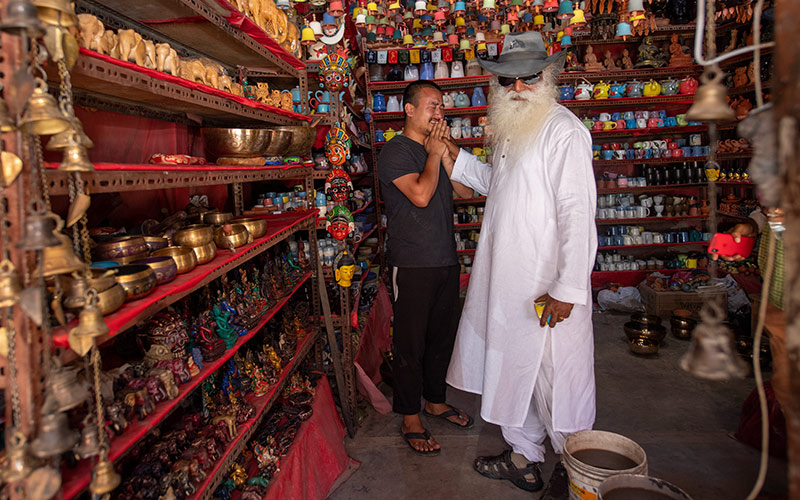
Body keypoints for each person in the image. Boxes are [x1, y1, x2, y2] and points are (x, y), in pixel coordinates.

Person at [441, 31, 597, 496]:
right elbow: (499, 183)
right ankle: (525, 457)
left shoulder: (563, 130)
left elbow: (576, 211)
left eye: (527, 77)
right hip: (508, 285)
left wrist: (568, 289)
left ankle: (581, 475)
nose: (517, 88)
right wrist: (454, 157)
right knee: (514, 374)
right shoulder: (513, 128)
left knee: (558, 385)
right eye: (507, 79)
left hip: (547, 289)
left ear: (546, 76)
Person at [377, 80, 473, 456]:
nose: (439, 111)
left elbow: (465, 192)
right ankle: (410, 414)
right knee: (410, 344)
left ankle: (435, 400)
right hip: (412, 261)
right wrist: (433, 153)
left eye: (441, 106)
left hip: (445, 258)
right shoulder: (395, 151)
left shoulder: (438, 148)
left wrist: (447, 150)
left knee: (440, 339)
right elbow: (420, 195)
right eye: (432, 105)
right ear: (409, 110)